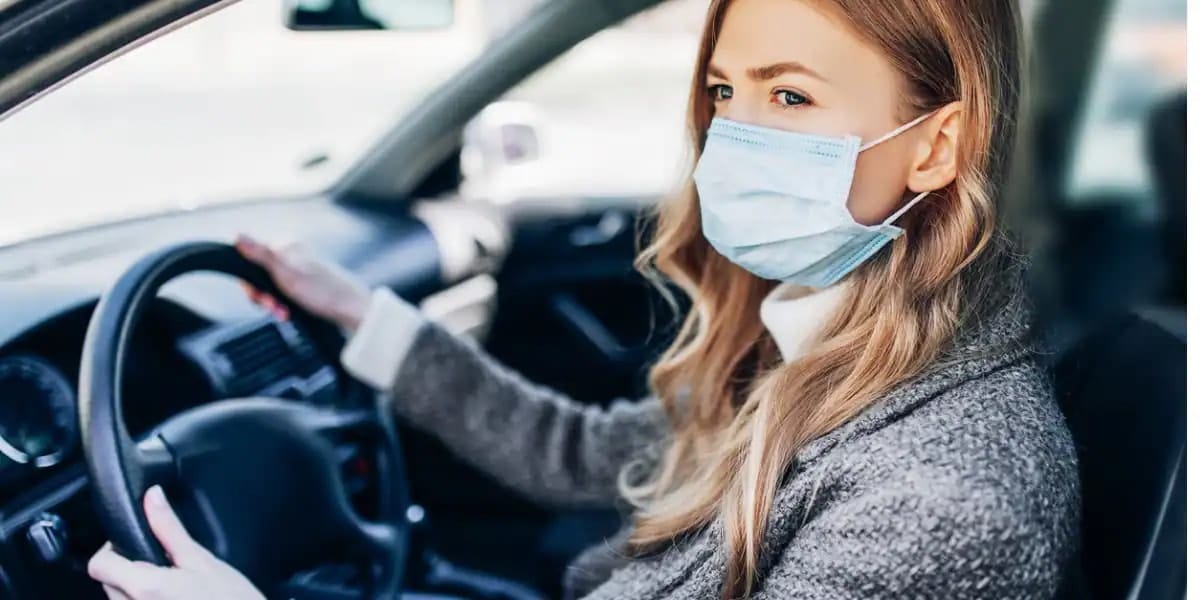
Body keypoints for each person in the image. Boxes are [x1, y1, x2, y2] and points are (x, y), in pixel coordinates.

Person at [87, 0, 1081, 598]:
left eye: (790, 98)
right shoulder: (827, 331)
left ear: (937, 147)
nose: (729, 138)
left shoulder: (942, 503)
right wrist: (365, 318)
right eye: (725, 94)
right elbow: (586, 453)